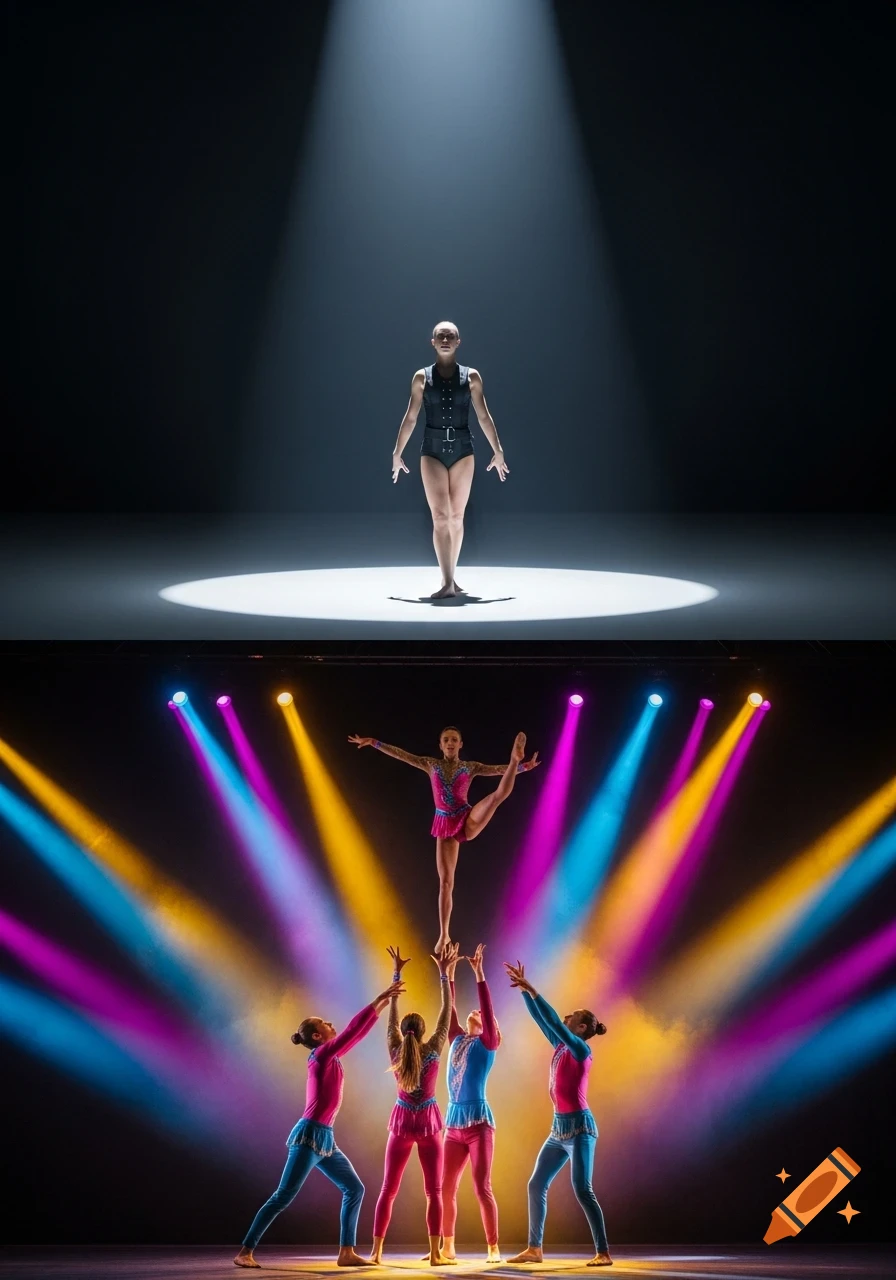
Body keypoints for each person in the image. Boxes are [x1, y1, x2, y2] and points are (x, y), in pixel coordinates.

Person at [233, 980, 404, 1269]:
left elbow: (355, 1036)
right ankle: (245, 1252)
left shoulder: (332, 1055)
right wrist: (377, 1001)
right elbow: (351, 1032)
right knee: (283, 1196)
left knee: (354, 1189)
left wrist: (381, 1005)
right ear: (317, 1035)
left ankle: (346, 1252)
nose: (330, 1023)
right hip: (309, 1135)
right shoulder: (322, 1055)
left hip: (325, 1138)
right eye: (324, 1023)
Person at [348, 727, 540, 951]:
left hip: (466, 817)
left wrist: (522, 765)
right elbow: (402, 755)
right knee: (446, 882)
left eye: (454, 740)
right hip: (444, 825)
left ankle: (514, 756)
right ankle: (444, 934)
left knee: (494, 798)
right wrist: (374, 742)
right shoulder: (430, 764)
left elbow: (498, 770)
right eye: (446, 740)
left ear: (460, 745)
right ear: (440, 745)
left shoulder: (471, 767)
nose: (450, 742)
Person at [503, 961, 612, 1268]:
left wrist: (534, 989)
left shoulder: (580, 1050)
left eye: (571, 1017)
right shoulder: (561, 1046)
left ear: (580, 1028)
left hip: (580, 1129)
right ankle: (534, 1249)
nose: (565, 1018)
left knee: (582, 1189)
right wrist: (525, 991)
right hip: (558, 1130)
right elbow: (543, 1021)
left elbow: (552, 1021)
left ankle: (603, 1252)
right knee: (536, 1184)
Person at [390, 320, 508, 599]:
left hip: (463, 449)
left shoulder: (472, 377)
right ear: (432, 342)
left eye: (450, 336)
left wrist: (498, 450)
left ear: (458, 342)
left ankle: (451, 577)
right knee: (440, 516)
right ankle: (447, 582)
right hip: (431, 449)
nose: (445, 339)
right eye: (440, 335)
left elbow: (483, 417)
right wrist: (397, 453)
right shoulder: (421, 377)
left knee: (456, 516)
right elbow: (411, 418)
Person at [369, 944, 458, 1267]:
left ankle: (375, 1253)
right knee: (434, 1191)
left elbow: (391, 1019)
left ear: (404, 1032)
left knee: (388, 1189)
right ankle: (436, 1255)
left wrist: (396, 974)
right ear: (422, 1032)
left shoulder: (395, 1047)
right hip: (429, 1123)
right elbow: (446, 1014)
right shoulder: (434, 1047)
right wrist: (444, 974)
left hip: (403, 1121)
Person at [441, 943, 502, 1262]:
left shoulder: (487, 1043)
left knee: (481, 1187)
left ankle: (493, 1247)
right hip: (453, 1125)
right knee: (445, 1187)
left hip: (479, 1124)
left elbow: (488, 1012)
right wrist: (446, 972)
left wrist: (479, 974)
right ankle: (447, 1245)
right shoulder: (455, 1038)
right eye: (474, 1012)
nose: (475, 1012)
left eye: (479, 1014)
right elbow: (448, 1005)